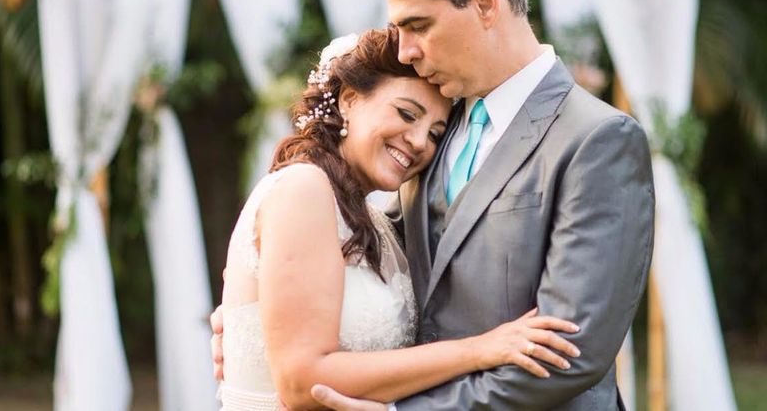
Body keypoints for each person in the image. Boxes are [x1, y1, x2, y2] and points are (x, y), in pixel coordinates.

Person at [216, 27, 582, 411]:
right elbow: (303, 382)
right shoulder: (303, 189)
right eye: (407, 114)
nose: (420, 141)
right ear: (350, 99)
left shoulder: (373, 219)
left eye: (436, 134)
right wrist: (482, 350)